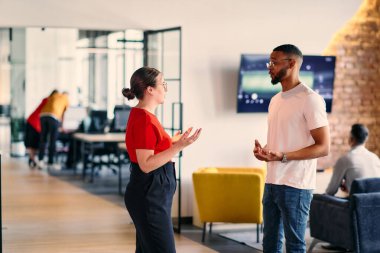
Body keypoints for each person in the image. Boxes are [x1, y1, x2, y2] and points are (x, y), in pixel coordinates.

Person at [253, 44, 330, 252]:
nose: (269, 67)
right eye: (269, 62)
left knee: (295, 245)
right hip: (272, 181)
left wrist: (284, 156)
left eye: (274, 62)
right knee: (269, 243)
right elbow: (283, 139)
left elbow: (323, 147)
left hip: (296, 185)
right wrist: (267, 152)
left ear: (292, 63)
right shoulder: (275, 100)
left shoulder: (310, 100)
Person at [122, 67, 201, 253]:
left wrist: (174, 142)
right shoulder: (144, 119)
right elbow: (146, 164)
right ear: (150, 89)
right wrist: (177, 147)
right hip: (149, 196)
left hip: (152, 194)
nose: (166, 89)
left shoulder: (146, 116)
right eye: (163, 84)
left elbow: (152, 147)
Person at [325, 123, 380, 196]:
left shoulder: (345, 160)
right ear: (366, 139)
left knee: (317, 198)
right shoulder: (375, 158)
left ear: (351, 139)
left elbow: (330, 191)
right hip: (376, 204)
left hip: (357, 204)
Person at [24, 89, 58, 168]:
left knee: (35, 142)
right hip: (35, 122)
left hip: (35, 121)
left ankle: (33, 159)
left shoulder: (48, 100)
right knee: (33, 142)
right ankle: (33, 159)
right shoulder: (49, 100)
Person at [38, 91, 69, 168]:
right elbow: (64, 113)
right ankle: (50, 162)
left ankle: (40, 160)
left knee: (43, 139)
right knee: (53, 140)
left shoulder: (54, 95)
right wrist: (62, 126)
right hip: (53, 117)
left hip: (43, 115)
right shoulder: (65, 98)